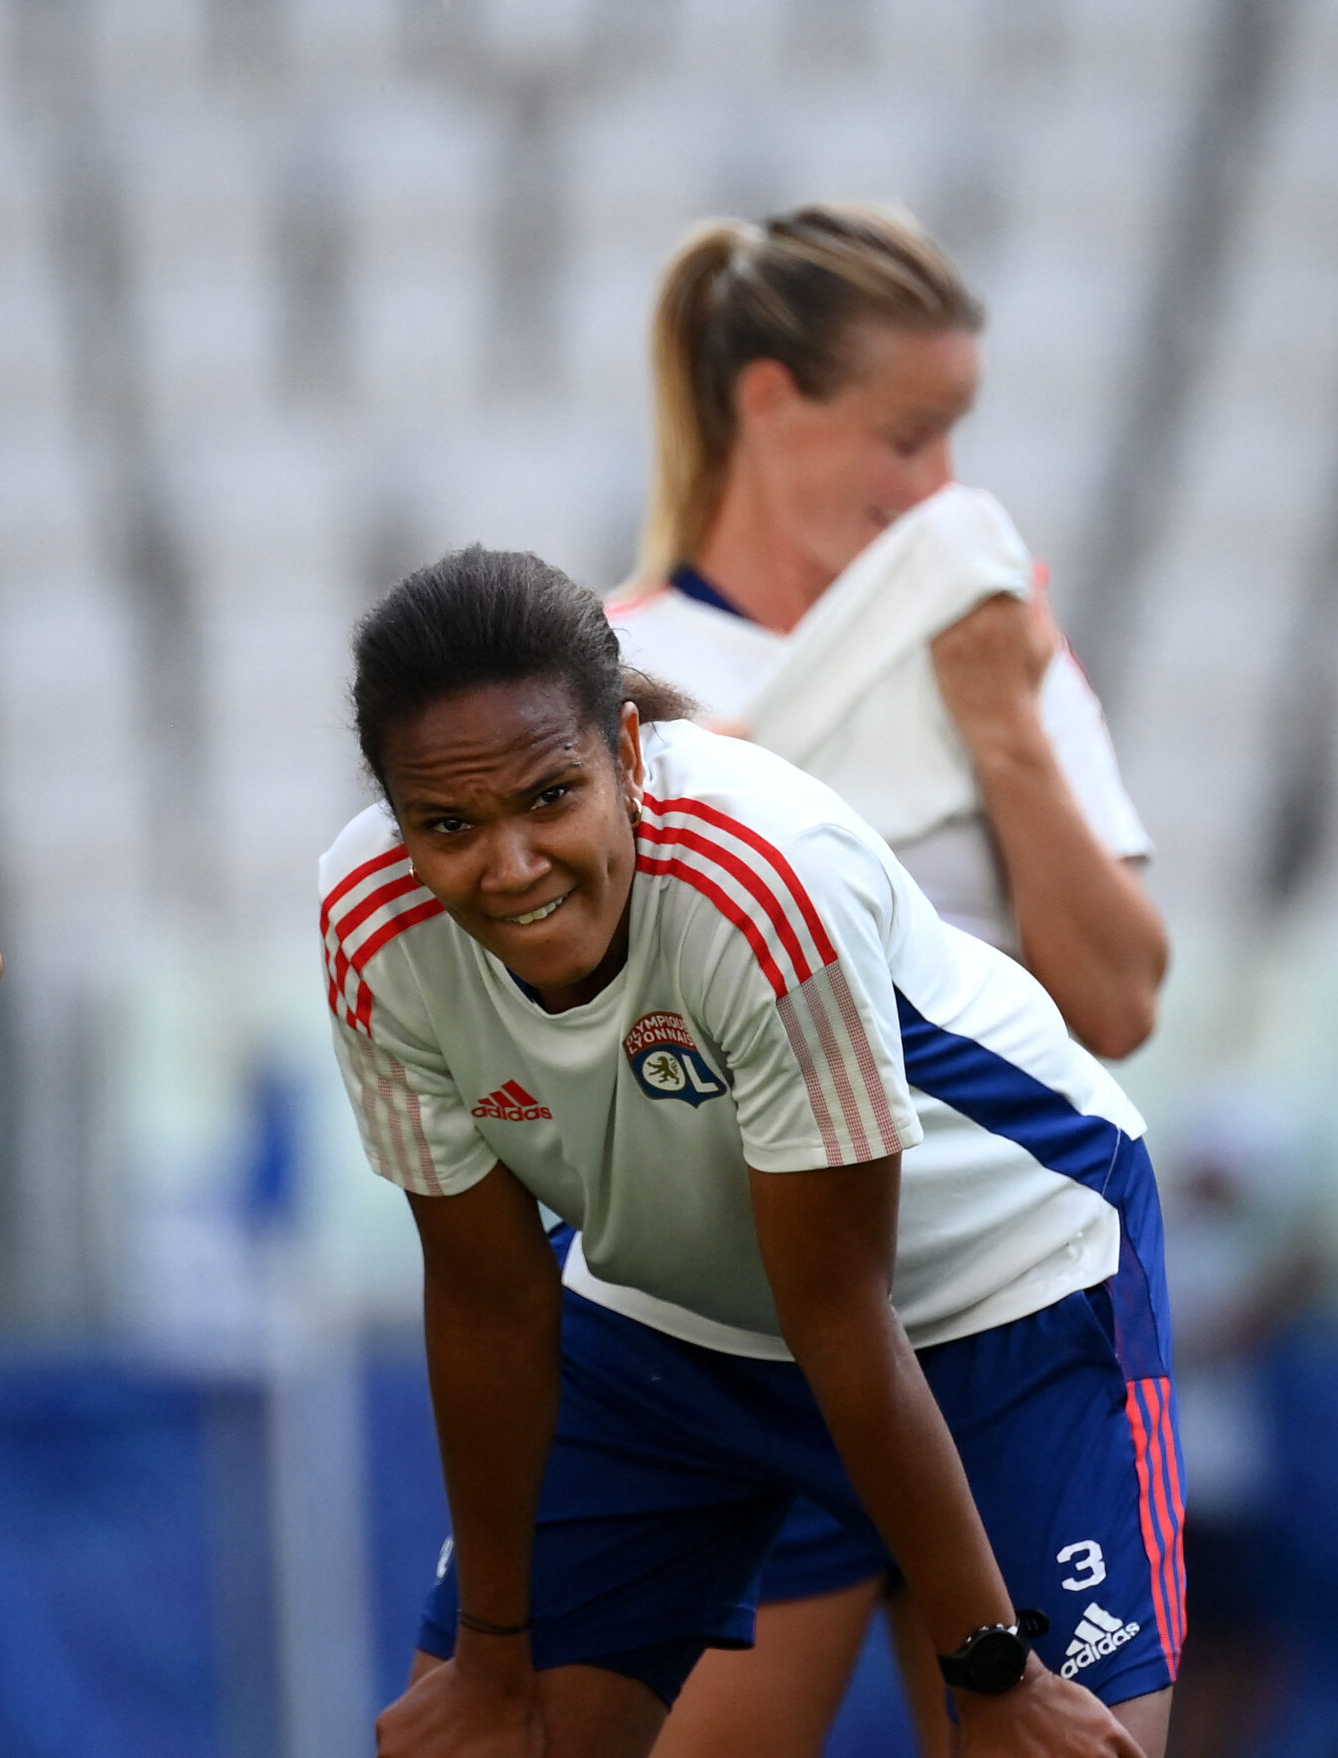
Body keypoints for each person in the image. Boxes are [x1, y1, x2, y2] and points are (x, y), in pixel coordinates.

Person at [326, 548, 1178, 1758]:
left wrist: (992, 1674)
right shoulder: (370, 920)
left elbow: (836, 1307)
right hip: (671, 1309)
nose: (509, 866)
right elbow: (486, 1297)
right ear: (395, 816)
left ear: (626, 753)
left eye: (549, 799)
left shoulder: (761, 881)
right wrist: (490, 1656)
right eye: (448, 824)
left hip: (999, 1287)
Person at [603, 205, 1171, 1755]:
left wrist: (1001, 726)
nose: (941, 494)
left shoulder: (993, 645)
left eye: (955, 442)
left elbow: (1115, 1005)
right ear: (768, 401)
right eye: (908, 438)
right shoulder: (601, 686)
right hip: (750, 1320)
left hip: (1007, 1296)